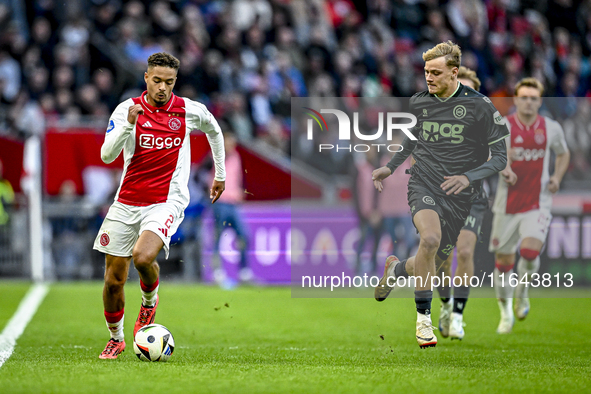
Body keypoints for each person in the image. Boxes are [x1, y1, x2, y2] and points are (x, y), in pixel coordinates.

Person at [372, 41, 509, 348]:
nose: (429, 78)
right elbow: (411, 140)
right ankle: (423, 321)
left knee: (433, 259)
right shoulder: (420, 102)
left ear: (454, 73)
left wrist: (468, 177)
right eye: (426, 72)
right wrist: (390, 167)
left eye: (435, 72)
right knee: (430, 240)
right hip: (423, 184)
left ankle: (395, 269)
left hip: (461, 195)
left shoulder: (481, 106)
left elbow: (499, 157)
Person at [93, 52, 226, 359]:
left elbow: (215, 130)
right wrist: (128, 125)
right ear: (146, 79)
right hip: (126, 201)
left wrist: (219, 175)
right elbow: (106, 155)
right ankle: (116, 338)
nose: (163, 87)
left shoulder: (188, 110)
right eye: (157, 81)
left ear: (175, 81)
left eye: (169, 82)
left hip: (166, 201)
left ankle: (149, 303)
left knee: (142, 257)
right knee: (113, 280)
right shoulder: (127, 109)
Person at [490, 77, 570, 334]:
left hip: (538, 202)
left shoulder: (551, 128)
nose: (528, 102)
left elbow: (563, 152)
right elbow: (491, 157)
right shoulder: (503, 126)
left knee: (529, 252)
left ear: (540, 101)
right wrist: (505, 167)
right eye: (523, 97)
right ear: (515, 100)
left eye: (533, 98)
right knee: (503, 263)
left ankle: (522, 292)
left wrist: (556, 177)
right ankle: (505, 314)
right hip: (506, 204)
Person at [436, 66, 490, 340]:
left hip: (474, 197)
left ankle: (457, 315)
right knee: (442, 259)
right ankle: (445, 305)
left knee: (465, 253)